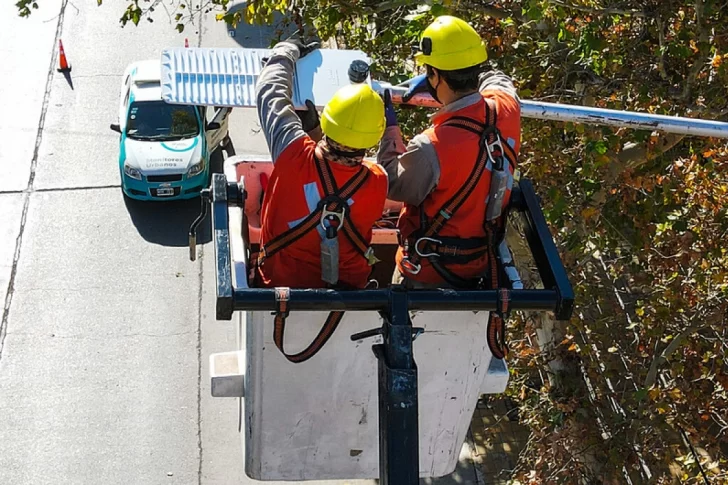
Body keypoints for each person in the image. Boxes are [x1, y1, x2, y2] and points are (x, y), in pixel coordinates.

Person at [378, 15, 521, 289]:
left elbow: (393, 184)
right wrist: (441, 73)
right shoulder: (507, 108)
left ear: (435, 75)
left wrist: (390, 132)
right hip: (478, 263)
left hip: (426, 272)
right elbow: (497, 78)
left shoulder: (431, 146)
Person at [255, 39, 389, 290]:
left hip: (280, 285)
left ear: (329, 119)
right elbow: (337, 178)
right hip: (348, 295)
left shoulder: (292, 153)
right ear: (373, 137)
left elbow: (269, 91)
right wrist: (315, 134)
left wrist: (286, 51)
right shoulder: (377, 182)